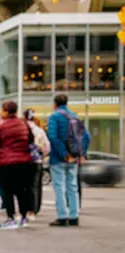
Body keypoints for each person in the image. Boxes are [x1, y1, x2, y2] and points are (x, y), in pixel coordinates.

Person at [0, 101, 34, 229]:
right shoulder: (24, 124)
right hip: (24, 161)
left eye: (2, 110)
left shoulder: (1, 127)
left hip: (7, 162)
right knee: (22, 190)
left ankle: (11, 218)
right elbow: (31, 139)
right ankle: (24, 217)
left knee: (7, 191)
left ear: (6, 111)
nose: (1, 112)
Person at [47, 94, 90, 227]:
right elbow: (86, 137)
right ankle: (74, 215)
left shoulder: (54, 117)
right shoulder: (75, 116)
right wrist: (81, 153)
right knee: (72, 187)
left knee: (59, 186)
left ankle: (62, 216)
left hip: (58, 158)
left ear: (55, 104)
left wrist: (64, 154)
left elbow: (52, 137)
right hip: (74, 157)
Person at [24, 109, 50, 219]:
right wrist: (42, 155)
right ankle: (35, 208)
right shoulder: (39, 130)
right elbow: (47, 146)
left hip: (24, 160)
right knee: (36, 186)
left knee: (25, 185)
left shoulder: (23, 129)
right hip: (37, 160)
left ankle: (26, 208)